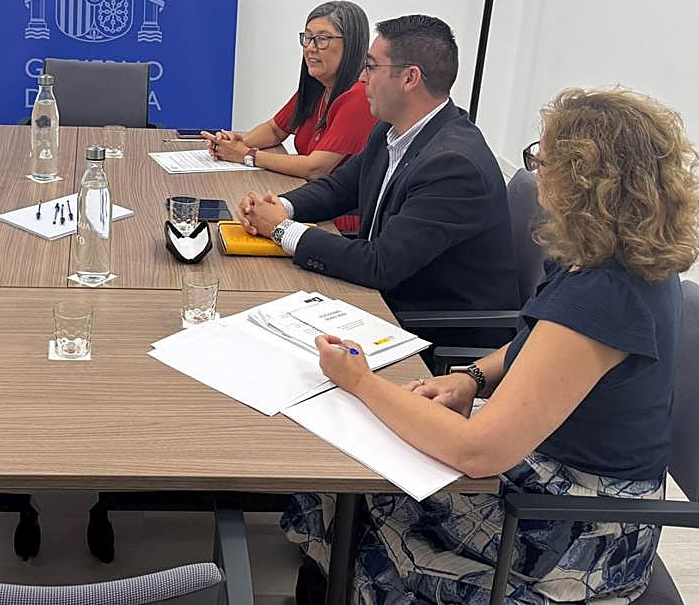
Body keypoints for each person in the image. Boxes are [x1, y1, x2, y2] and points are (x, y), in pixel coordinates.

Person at [284, 87, 699, 604]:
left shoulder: (606, 295)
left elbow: (478, 451)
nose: (536, 167)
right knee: (349, 470)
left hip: (575, 529)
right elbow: (534, 344)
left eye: (541, 158)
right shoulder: (604, 252)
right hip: (555, 475)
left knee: (356, 489)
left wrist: (361, 381)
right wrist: (472, 377)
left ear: (584, 180)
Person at [237, 14, 519, 326]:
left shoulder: (453, 165)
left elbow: (380, 265)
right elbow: (340, 188)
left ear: (410, 78)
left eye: (371, 67)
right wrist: (281, 206)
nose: (362, 78)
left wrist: (281, 229)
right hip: (380, 297)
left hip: (428, 325)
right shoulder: (390, 130)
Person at [202, 0, 377, 233]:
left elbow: (316, 168)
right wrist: (235, 145)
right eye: (308, 37)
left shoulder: (358, 98)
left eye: (322, 39)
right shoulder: (318, 86)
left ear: (351, 45)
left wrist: (247, 155)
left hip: (334, 222)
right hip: (302, 200)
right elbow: (276, 129)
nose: (310, 48)